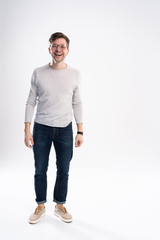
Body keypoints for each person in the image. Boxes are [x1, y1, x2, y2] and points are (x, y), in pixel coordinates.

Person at [24, 32, 83, 224]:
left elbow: (77, 102)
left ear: (67, 50)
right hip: (41, 128)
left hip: (65, 129)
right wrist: (27, 129)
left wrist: (80, 130)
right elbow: (31, 102)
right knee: (40, 169)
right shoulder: (38, 72)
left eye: (62, 46)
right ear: (49, 48)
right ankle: (40, 206)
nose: (58, 50)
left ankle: (59, 205)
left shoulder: (74, 74)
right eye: (55, 46)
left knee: (63, 169)